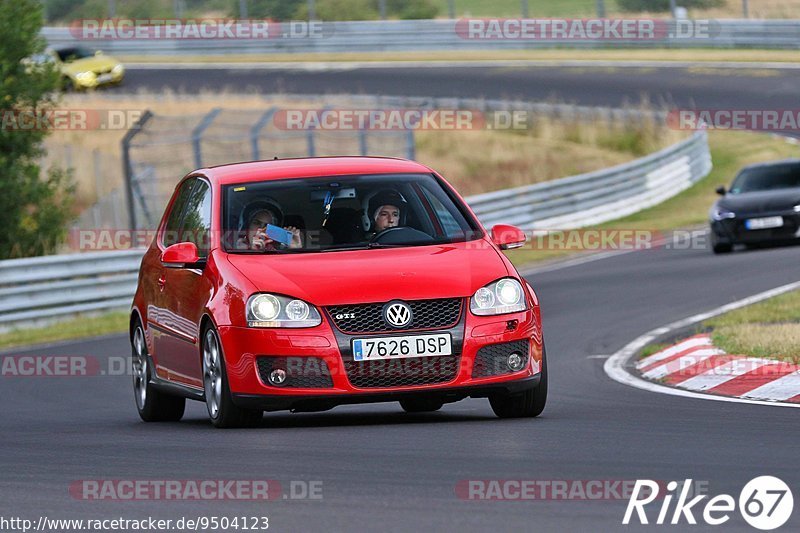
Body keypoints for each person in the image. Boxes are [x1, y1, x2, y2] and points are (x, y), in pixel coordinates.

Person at [236, 200, 303, 251]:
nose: (261, 228)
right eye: (256, 223)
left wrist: (295, 249)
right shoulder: (232, 251)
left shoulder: (276, 253)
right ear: (247, 226)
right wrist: (250, 251)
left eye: (267, 226)